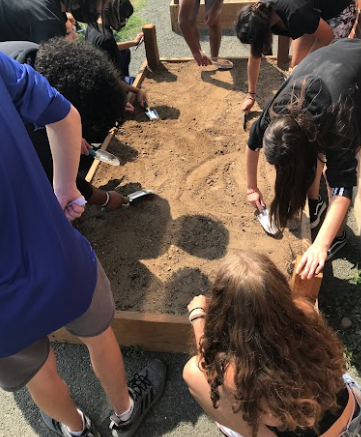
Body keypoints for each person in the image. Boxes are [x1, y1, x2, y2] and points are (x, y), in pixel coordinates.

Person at [0, 50, 166, 437]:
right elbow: (64, 115)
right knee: (97, 334)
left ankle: (76, 430)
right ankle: (124, 412)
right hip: (57, 255)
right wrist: (65, 188)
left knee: (36, 371)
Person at [184, 250, 361, 437]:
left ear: (223, 311)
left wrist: (197, 317)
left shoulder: (237, 373)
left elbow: (209, 369)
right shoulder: (305, 312)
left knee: (194, 375)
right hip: (351, 411)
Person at [245, 38, 361, 279]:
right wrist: (251, 187)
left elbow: (344, 187)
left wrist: (321, 244)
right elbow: (253, 143)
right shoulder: (275, 114)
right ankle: (316, 205)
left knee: (337, 171)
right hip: (332, 60)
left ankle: (338, 237)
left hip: (352, 80)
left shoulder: (337, 120)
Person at [0, 38, 129, 211]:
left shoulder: (37, 56)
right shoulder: (26, 130)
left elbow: (61, 114)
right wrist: (106, 199)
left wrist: (71, 131)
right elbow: (60, 177)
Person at [236, 0, 356, 114]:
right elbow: (255, 56)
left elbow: (326, 36)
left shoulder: (296, 13)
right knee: (296, 67)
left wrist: (308, 64)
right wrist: (251, 95)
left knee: (317, 67)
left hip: (341, 7)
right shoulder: (260, 13)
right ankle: (298, 101)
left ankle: (321, 109)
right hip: (314, 9)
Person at [85, 0, 147, 111]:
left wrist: (133, 43)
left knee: (125, 51)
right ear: (113, 13)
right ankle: (124, 99)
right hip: (104, 87)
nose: (124, 22)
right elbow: (111, 79)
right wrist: (136, 90)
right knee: (133, 101)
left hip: (97, 75)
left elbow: (111, 47)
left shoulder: (94, 24)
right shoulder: (105, 39)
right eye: (123, 18)